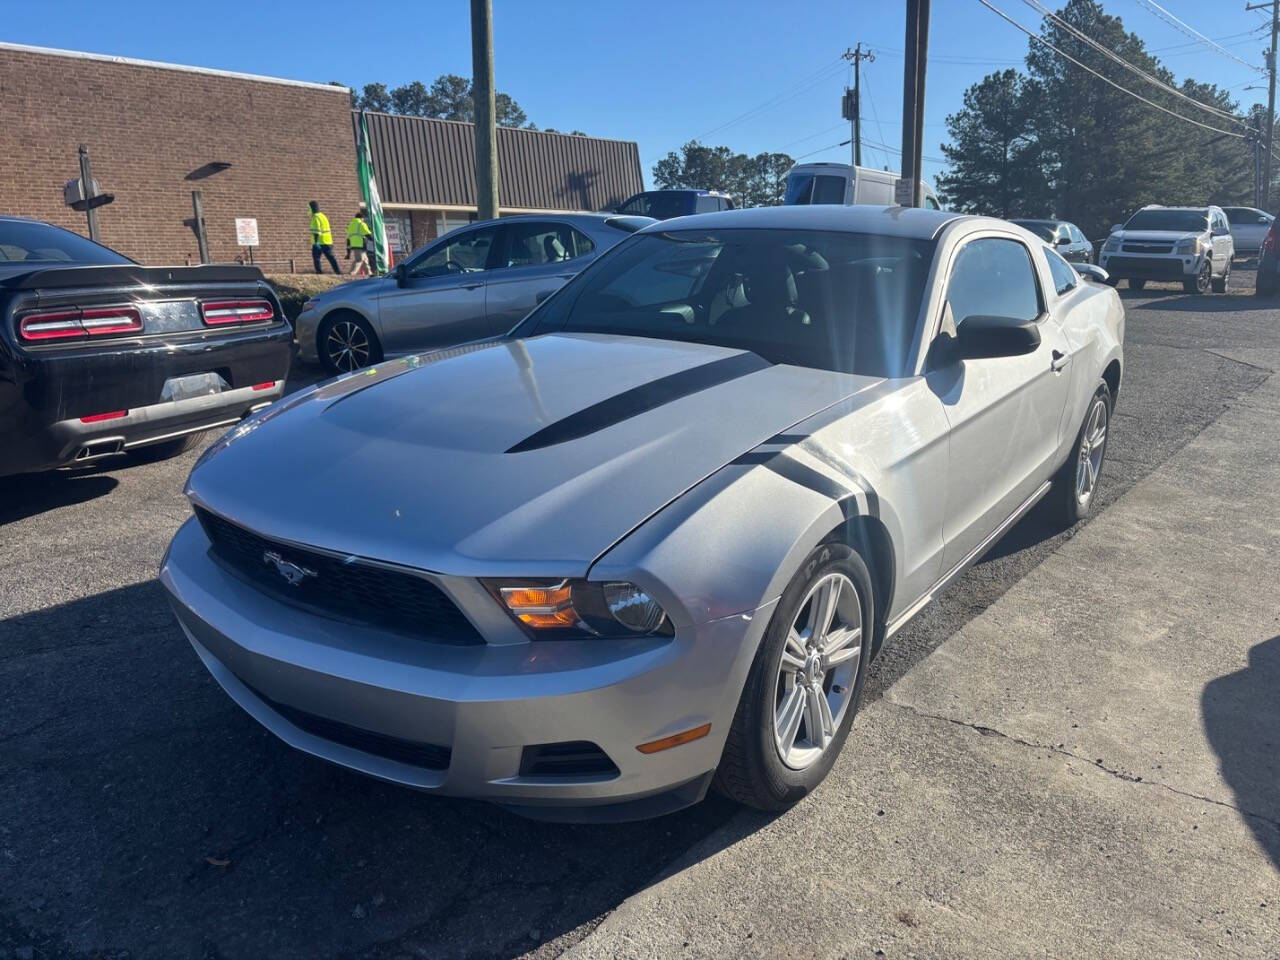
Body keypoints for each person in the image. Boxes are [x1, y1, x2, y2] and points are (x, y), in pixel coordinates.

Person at [308, 200, 341, 274]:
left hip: (319, 242)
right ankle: (338, 272)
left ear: (311, 208)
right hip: (328, 241)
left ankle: (319, 272)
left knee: (317, 258)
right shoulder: (323, 216)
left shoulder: (315, 217)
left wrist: (316, 242)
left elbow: (316, 231)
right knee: (331, 258)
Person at [346, 208, 373, 276]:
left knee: (365, 260)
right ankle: (351, 273)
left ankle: (369, 273)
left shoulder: (351, 225)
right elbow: (367, 234)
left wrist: (348, 251)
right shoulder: (361, 223)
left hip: (354, 244)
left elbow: (348, 238)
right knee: (359, 260)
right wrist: (372, 239)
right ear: (362, 218)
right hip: (360, 244)